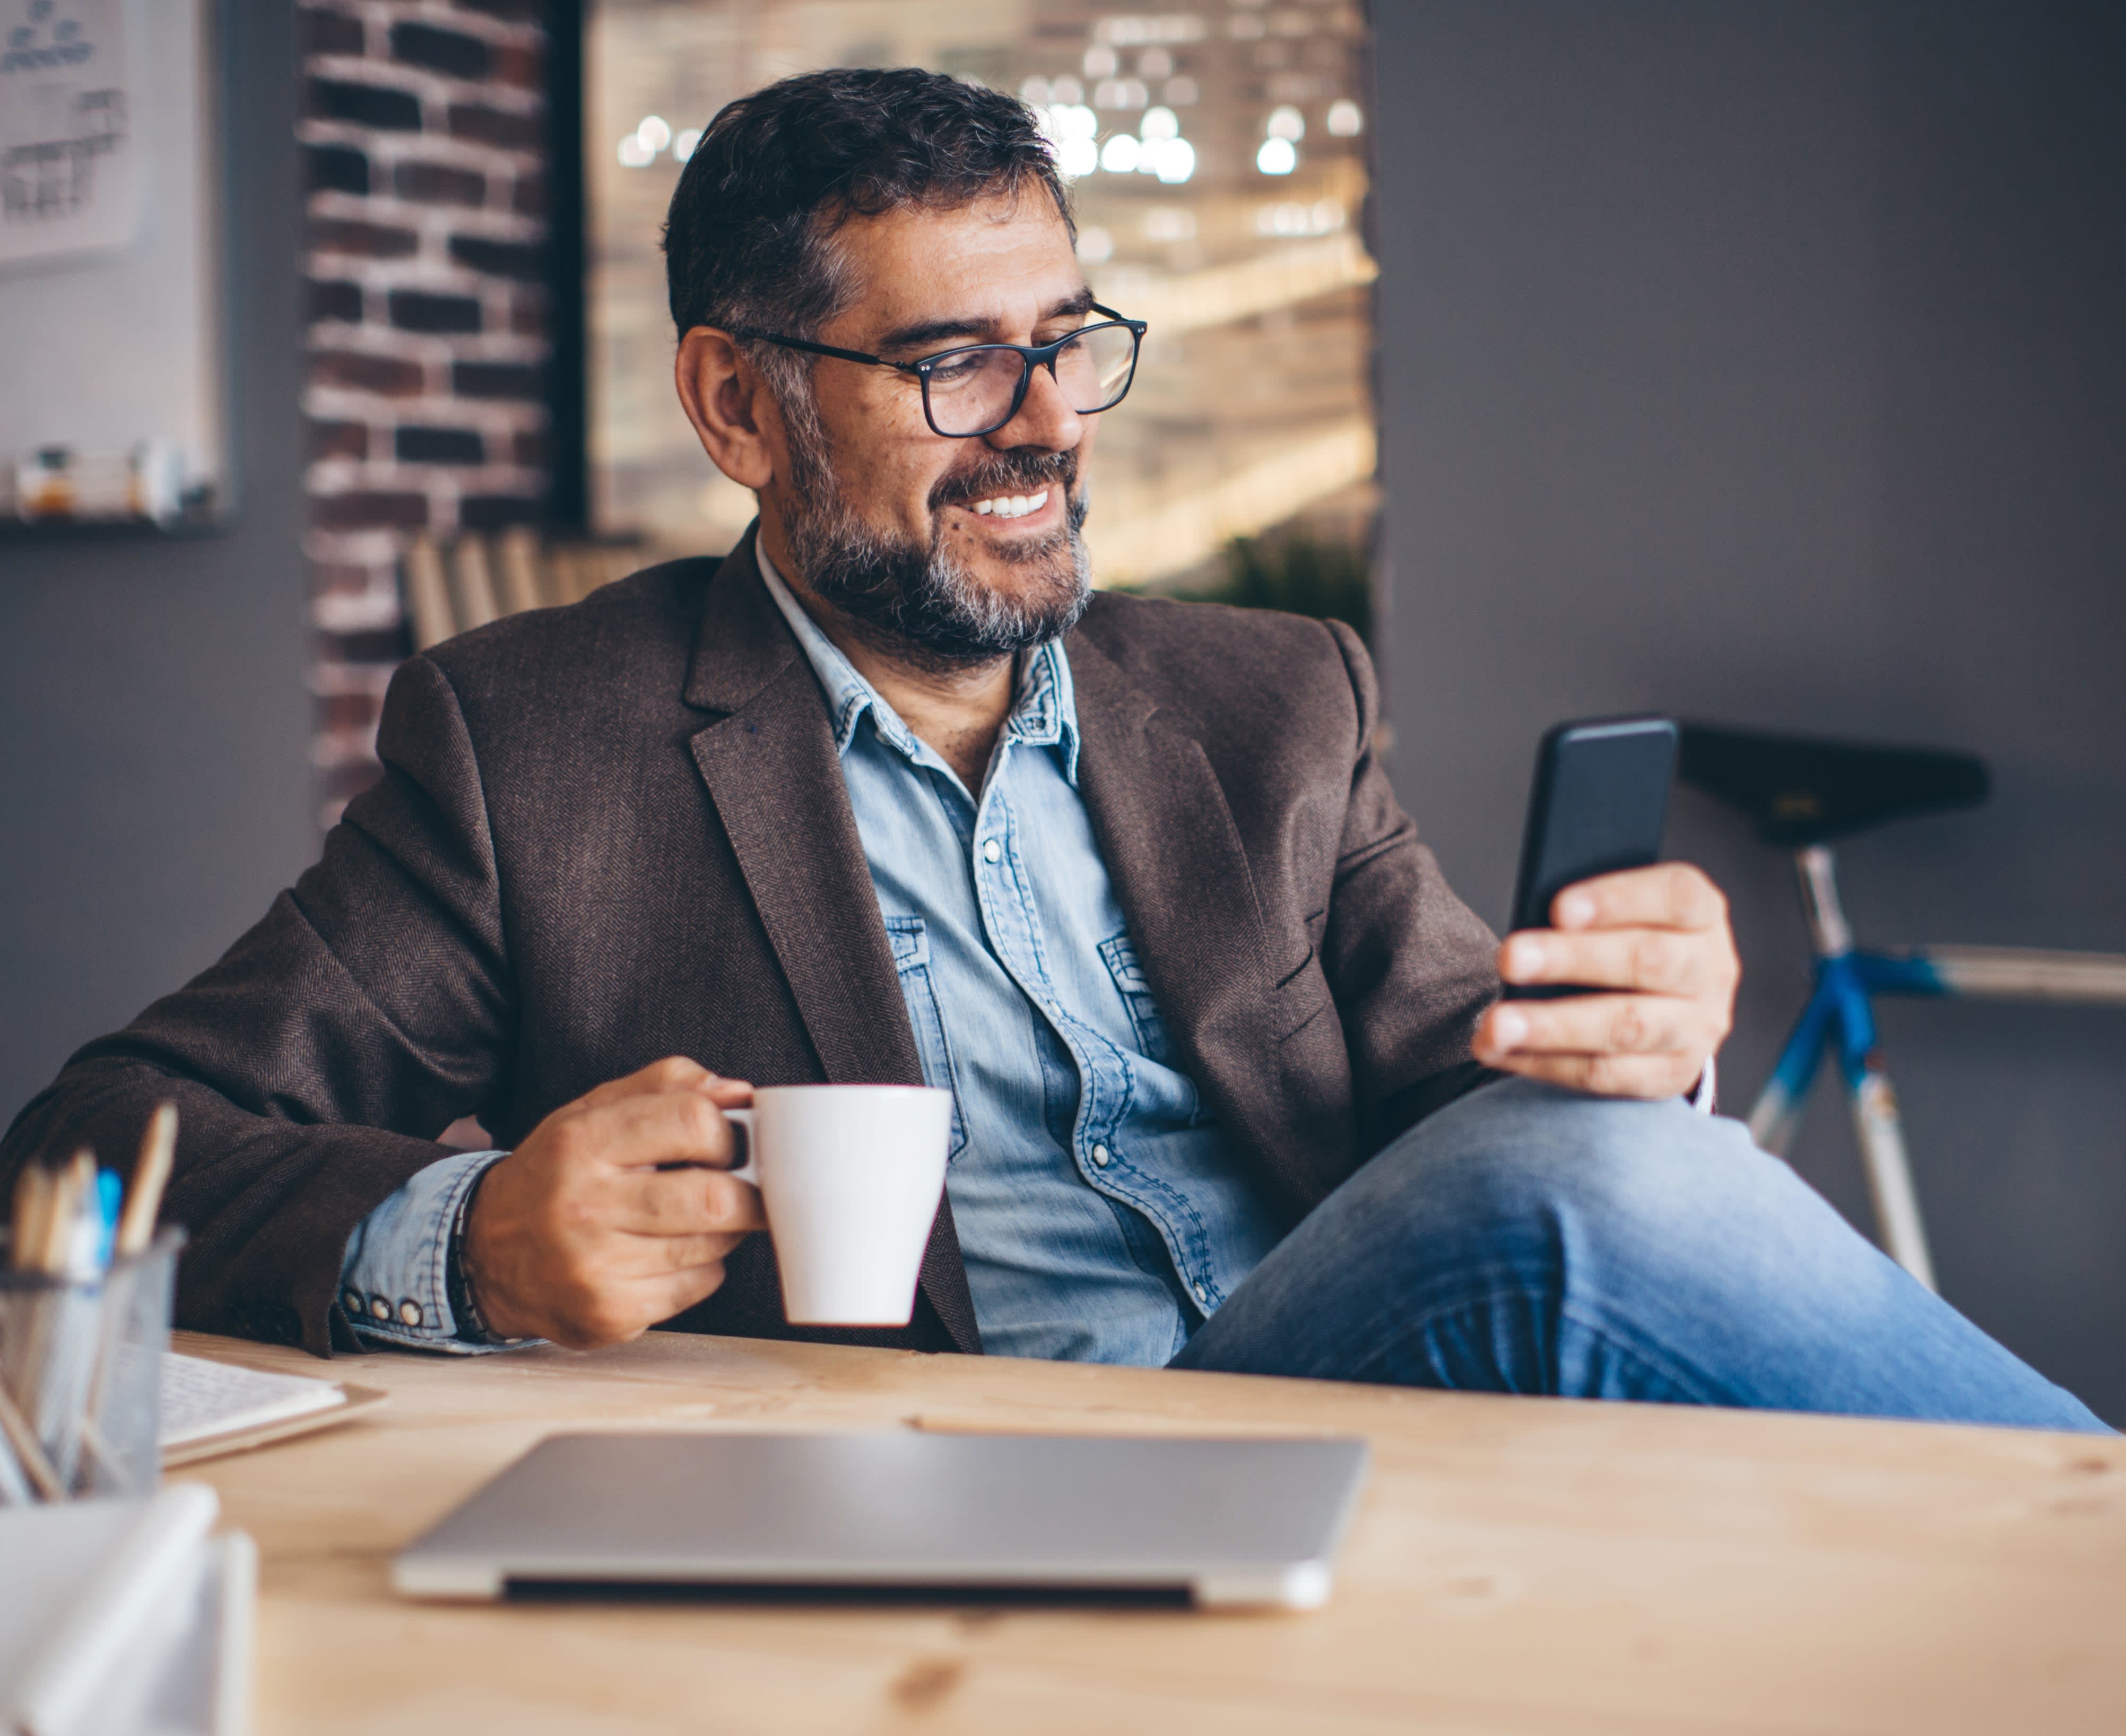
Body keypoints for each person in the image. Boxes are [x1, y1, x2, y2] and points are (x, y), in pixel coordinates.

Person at [1, 69, 2102, 1431]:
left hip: (1349, 1414)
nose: (1047, 421)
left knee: (1608, 1156)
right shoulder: (532, 741)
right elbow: (91, 1143)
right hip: (942, 1476)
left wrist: (1634, 1032)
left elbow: (1486, 1092)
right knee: (1592, 1190)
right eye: (951, 362)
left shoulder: (1279, 697)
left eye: (1068, 340)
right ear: (737, 410)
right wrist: (470, 1244)